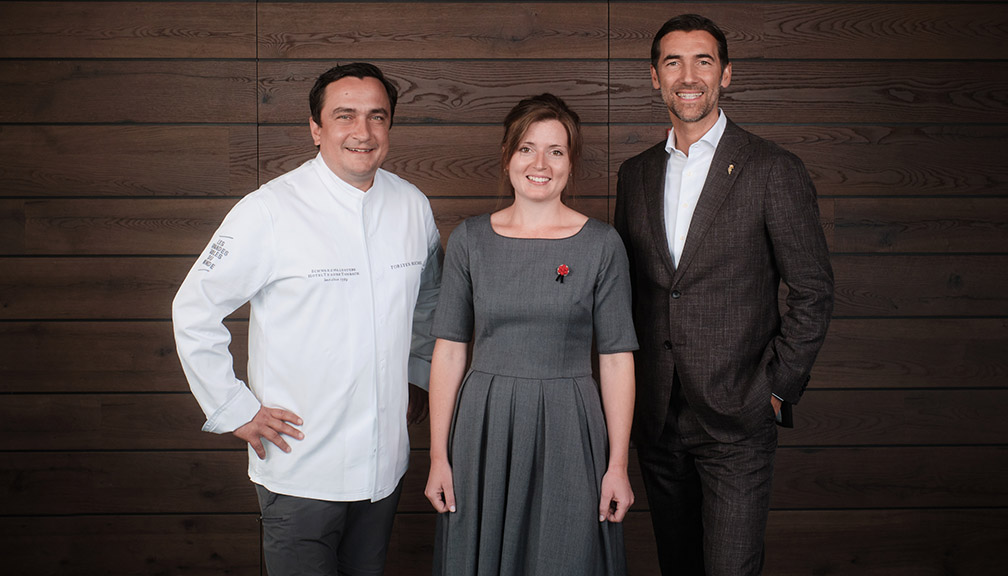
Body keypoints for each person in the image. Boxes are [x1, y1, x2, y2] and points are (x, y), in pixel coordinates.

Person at [171, 62, 442, 576]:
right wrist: (234, 408)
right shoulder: (268, 210)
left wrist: (417, 376)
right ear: (316, 129)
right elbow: (194, 309)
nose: (362, 133)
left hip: (385, 465)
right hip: (300, 469)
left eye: (376, 117)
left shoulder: (413, 206)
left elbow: (429, 301)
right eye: (344, 116)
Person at [614, 14, 835, 576]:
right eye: (673, 62)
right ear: (654, 77)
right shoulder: (634, 175)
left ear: (726, 74)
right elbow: (631, 291)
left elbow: (812, 290)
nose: (688, 76)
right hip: (658, 420)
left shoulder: (771, 169)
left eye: (703, 60)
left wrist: (777, 391)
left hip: (739, 418)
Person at [425, 93, 637, 576]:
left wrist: (618, 465)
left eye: (556, 151)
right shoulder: (470, 239)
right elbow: (451, 351)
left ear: (570, 163)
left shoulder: (602, 244)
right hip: (484, 423)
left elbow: (616, 358)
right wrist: (439, 456)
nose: (540, 163)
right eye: (526, 148)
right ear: (507, 156)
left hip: (570, 423)